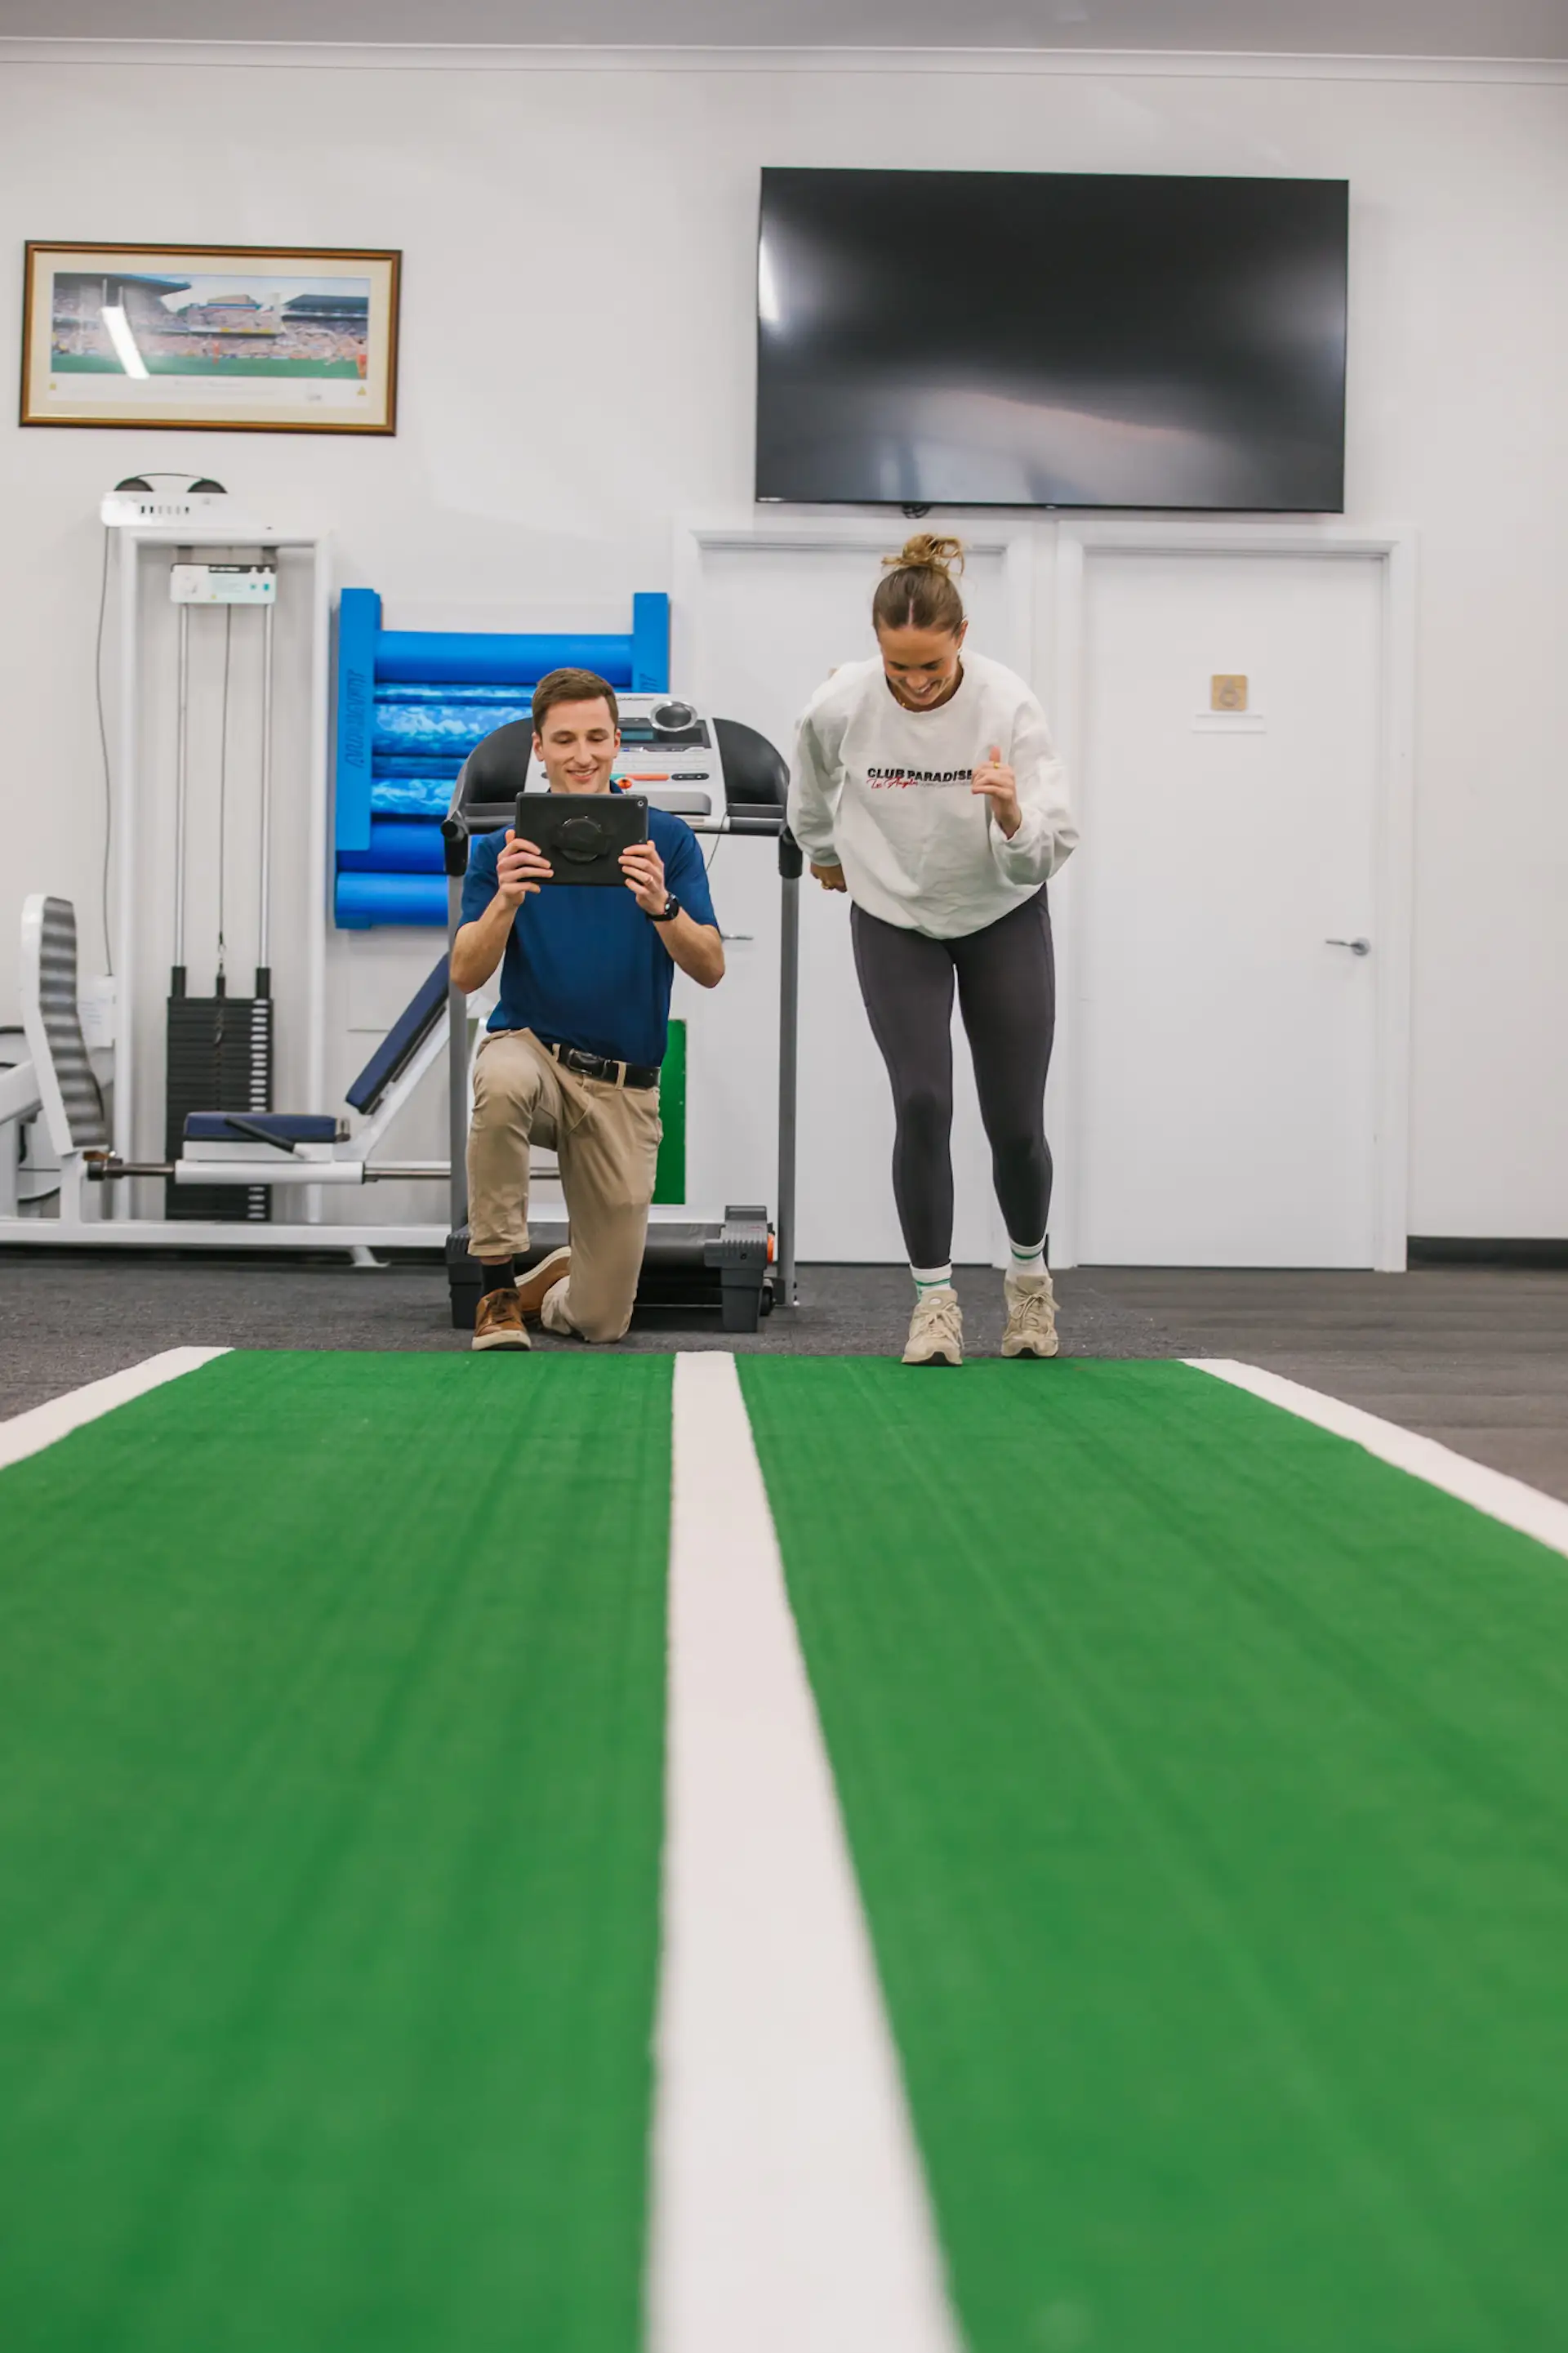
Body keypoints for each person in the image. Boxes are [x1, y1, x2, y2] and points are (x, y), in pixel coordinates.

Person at [789, 535, 1077, 1367]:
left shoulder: (1007, 705)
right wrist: (824, 850)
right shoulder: (841, 702)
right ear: (877, 648)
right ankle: (934, 1302)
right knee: (922, 1102)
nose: (915, 684)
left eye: (931, 667)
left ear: (961, 640)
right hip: (895, 914)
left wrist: (1014, 814)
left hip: (1001, 909)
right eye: (899, 666)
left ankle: (1028, 1287)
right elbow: (809, 786)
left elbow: (1053, 843)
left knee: (1014, 1122)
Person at [452, 666, 724, 1351]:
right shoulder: (500, 848)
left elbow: (711, 967)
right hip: (536, 1054)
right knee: (501, 1077)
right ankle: (496, 1291)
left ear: (616, 742)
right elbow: (465, 973)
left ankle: (562, 1280)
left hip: (623, 1083)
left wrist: (661, 905)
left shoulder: (667, 841)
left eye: (597, 737)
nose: (582, 754)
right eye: (565, 739)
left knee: (604, 1322)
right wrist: (506, 901)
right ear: (538, 748)